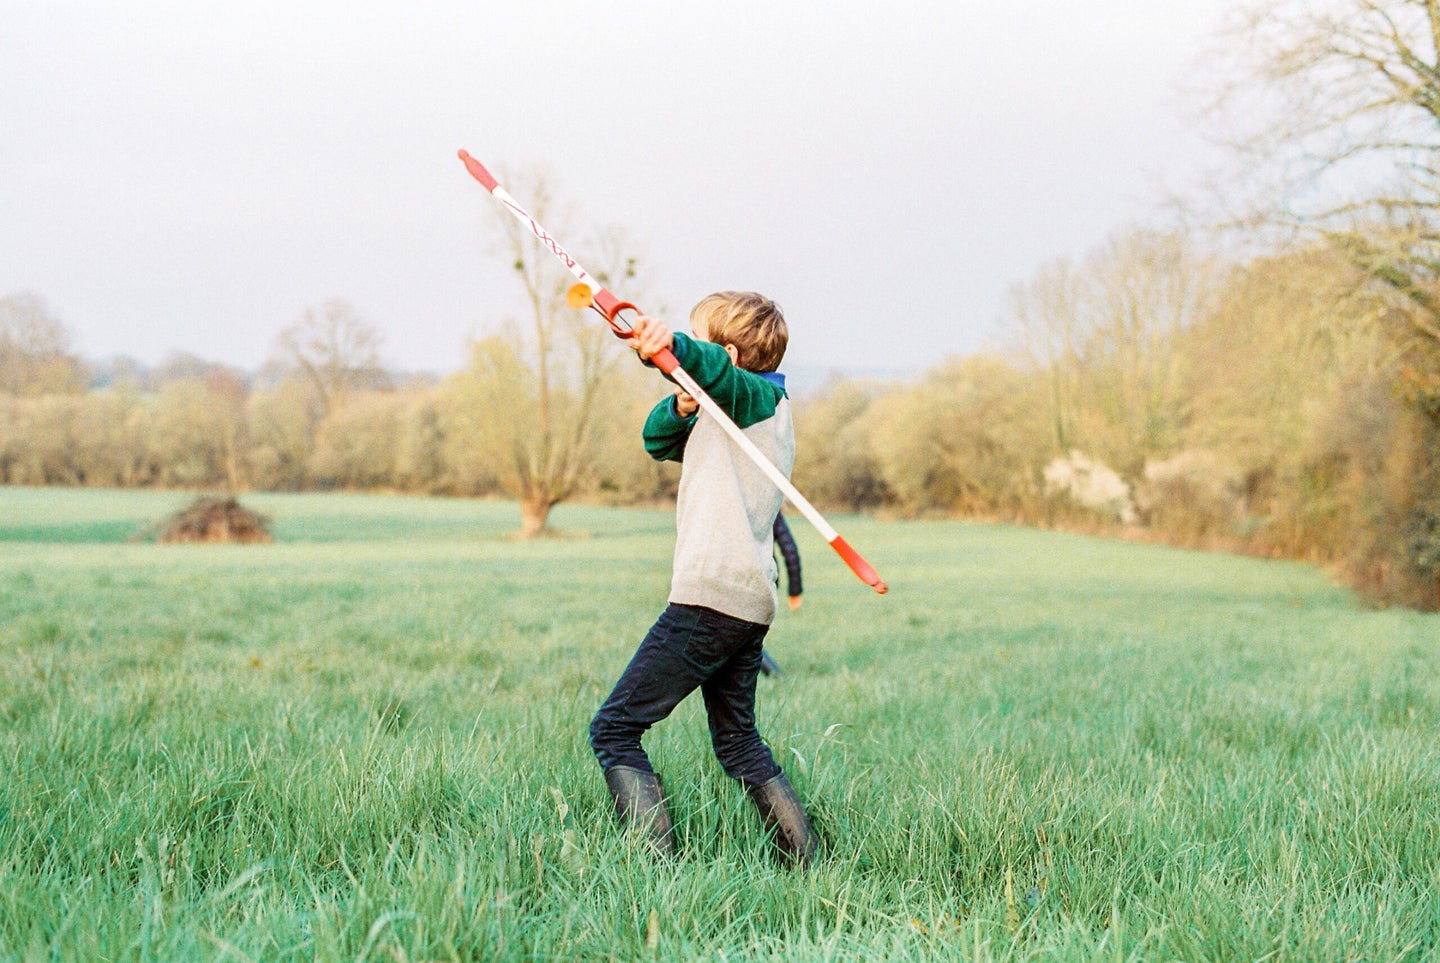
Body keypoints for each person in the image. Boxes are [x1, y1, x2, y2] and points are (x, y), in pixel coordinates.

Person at [588, 291, 819, 867]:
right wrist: (683, 406)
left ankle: (653, 872)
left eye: (708, 347)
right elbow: (657, 442)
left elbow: (714, 369)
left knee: (615, 729)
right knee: (739, 743)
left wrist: (674, 347)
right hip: (745, 602)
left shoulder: (757, 398)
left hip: (710, 598)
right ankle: (810, 866)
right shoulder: (731, 408)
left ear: (731, 355)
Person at [759, 514, 802, 678]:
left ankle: (776, 676)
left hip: (736, 579)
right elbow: (790, 551)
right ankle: (776, 676)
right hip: (767, 580)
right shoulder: (771, 509)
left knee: (743, 639)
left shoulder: (731, 505)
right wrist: (795, 592)